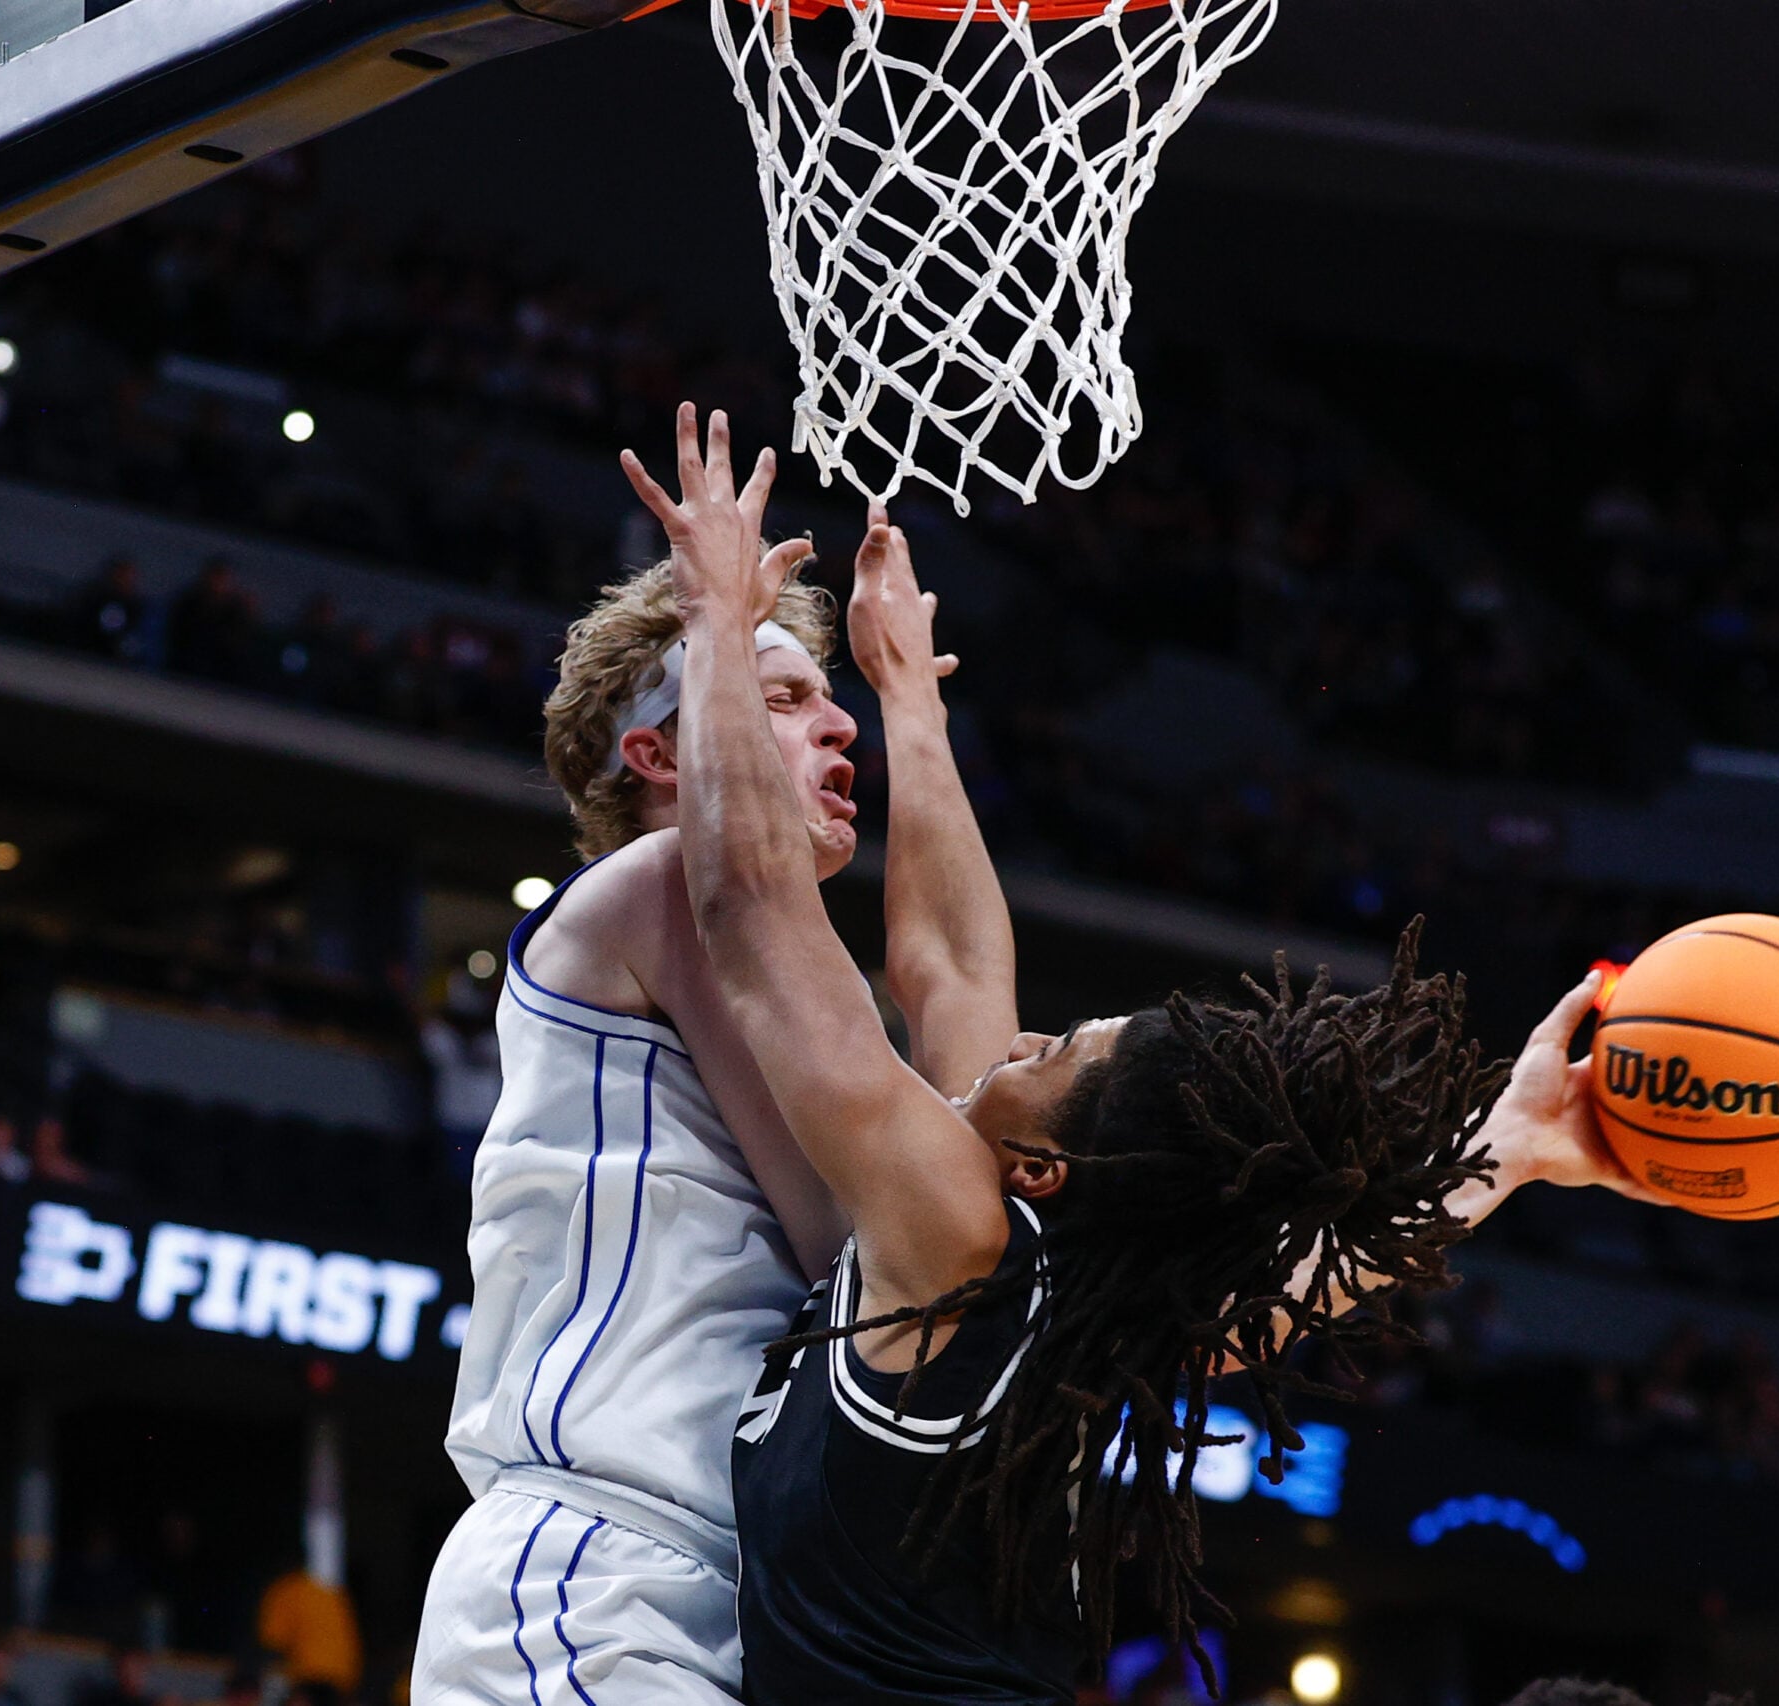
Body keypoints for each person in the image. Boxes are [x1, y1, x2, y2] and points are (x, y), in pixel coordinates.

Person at [632, 404, 1669, 1698]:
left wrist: (720, 626)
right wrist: (908, 694)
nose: (1019, 1035)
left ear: (1043, 1167)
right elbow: (950, 963)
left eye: (1058, 1045)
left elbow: (749, 909)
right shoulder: (1083, 1289)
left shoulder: (954, 1233)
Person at [414, 409, 1005, 1706]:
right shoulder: (655, 891)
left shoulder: (795, 989)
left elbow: (965, 1027)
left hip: (741, 1595)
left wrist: (912, 703)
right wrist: (720, 629)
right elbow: (879, 1225)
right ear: (656, 753)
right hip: (598, 1564)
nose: (830, 729)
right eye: (791, 699)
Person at [256, 1562, 360, 1696]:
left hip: (309, 1675)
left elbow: (273, 1639)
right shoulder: (333, 1595)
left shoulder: (286, 1590)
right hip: (341, 1676)